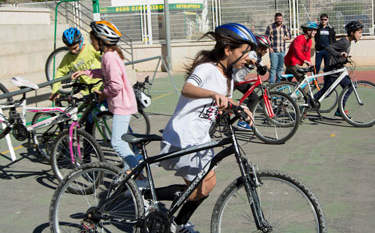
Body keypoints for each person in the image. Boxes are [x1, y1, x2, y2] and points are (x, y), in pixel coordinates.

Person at [150, 23, 257, 233]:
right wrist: (211, 94)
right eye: (244, 52)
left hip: (200, 137)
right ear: (228, 50)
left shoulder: (228, 77)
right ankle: (148, 196)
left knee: (207, 185)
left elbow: (217, 105)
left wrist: (237, 107)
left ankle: (176, 223)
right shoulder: (206, 68)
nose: (247, 57)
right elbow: (188, 88)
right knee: (196, 188)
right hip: (183, 135)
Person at [71, 21, 144, 177]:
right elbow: (104, 73)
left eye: (93, 40)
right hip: (123, 103)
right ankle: (130, 175)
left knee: (117, 143)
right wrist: (86, 72)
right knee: (122, 142)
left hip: (122, 105)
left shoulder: (109, 57)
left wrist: (104, 93)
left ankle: (140, 176)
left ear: (102, 40)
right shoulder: (110, 55)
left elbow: (115, 85)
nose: (91, 42)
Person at [49, 26, 102, 134]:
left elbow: (105, 56)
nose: (73, 51)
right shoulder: (68, 57)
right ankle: (88, 149)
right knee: (89, 122)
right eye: (70, 49)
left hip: (100, 86)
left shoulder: (91, 49)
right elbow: (60, 72)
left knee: (111, 112)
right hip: (88, 91)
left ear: (81, 41)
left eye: (75, 47)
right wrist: (55, 90)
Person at [314, 21, 363, 117]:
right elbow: (329, 48)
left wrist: (345, 59)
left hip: (339, 69)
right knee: (326, 92)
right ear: (352, 32)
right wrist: (339, 54)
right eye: (359, 32)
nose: (361, 35)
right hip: (333, 70)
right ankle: (308, 103)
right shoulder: (344, 41)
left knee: (350, 86)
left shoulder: (348, 42)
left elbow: (340, 53)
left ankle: (340, 111)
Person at [233, 35, 270, 131]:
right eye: (264, 48)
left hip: (239, 80)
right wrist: (252, 62)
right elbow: (247, 58)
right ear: (258, 46)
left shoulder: (258, 56)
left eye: (266, 49)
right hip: (231, 79)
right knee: (224, 100)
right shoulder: (251, 52)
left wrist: (264, 68)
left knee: (254, 98)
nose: (265, 51)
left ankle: (243, 122)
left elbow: (260, 66)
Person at [265, 12, 291, 83]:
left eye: (280, 19)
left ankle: (278, 82)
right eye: (277, 19)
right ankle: (271, 82)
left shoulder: (285, 27)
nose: (279, 20)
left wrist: (287, 37)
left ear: (282, 19)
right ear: (275, 19)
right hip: (274, 51)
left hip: (282, 51)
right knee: (273, 67)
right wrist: (269, 48)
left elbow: (289, 36)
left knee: (280, 68)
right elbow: (266, 38)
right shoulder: (270, 27)